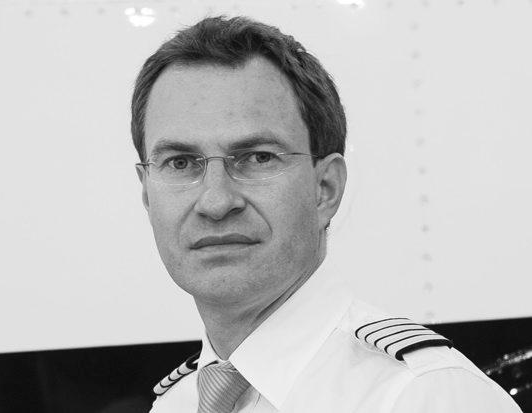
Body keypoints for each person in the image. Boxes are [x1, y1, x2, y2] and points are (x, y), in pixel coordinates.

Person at [130, 14, 522, 413]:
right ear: (147, 193)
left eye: (258, 157)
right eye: (180, 163)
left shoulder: (426, 397)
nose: (215, 202)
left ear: (325, 189)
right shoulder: (174, 405)